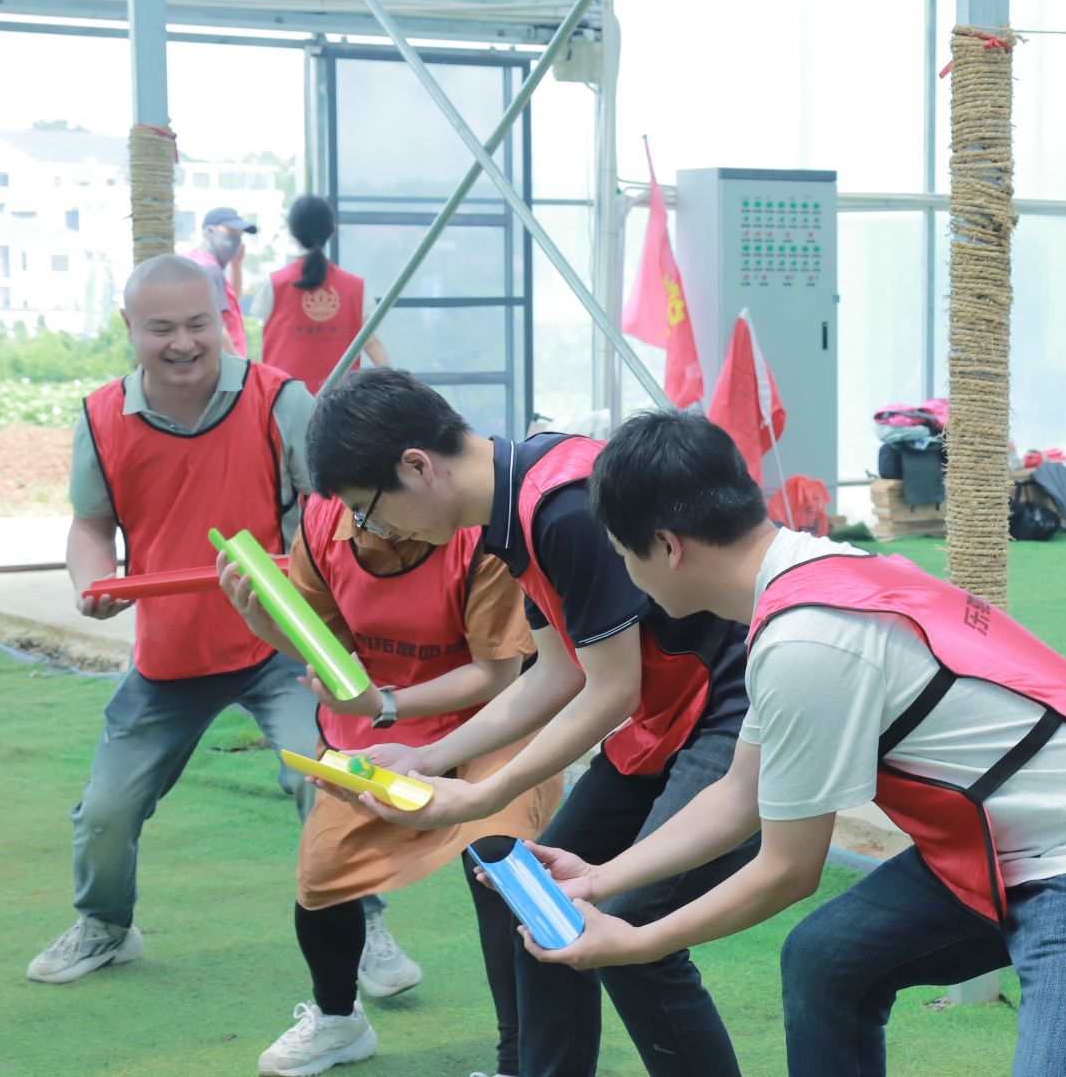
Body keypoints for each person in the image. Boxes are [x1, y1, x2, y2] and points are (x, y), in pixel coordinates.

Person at [512, 410, 1066, 1077]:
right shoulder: (812, 576)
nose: (625, 576)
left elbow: (788, 871)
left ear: (667, 547)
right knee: (826, 959)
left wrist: (638, 942)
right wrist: (600, 877)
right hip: (1011, 844)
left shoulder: (807, 640)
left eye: (623, 555)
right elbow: (738, 795)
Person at [302, 368, 756, 1077]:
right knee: (536, 901)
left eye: (367, 509)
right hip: (664, 719)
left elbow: (610, 692)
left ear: (416, 466)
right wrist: (428, 759)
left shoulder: (561, 507)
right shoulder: (512, 515)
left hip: (732, 708)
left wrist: (481, 796)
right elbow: (557, 672)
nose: (374, 530)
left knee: (632, 928)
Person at [27, 255, 418, 997]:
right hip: (170, 653)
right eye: (161, 328)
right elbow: (90, 525)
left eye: (198, 324)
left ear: (224, 318)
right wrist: (92, 582)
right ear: (129, 327)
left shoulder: (280, 400)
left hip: (285, 641)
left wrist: (327, 582)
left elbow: (333, 507)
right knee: (107, 810)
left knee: (328, 776)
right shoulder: (102, 417)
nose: (183, 343)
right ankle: (106, 925)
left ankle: (362, 923)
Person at [217, 492, 561, 1077]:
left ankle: (520, 1059)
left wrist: (385, 704)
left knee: (501, 867)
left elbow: (496, 673)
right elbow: (327, 646)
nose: (362, 518)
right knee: (324, 872)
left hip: (495, 724)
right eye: (349, 503)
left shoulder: (480, 529)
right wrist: (261, 622)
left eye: (367, 502)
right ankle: (338, 1021)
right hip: (376, 727)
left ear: (414, 470)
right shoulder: (326, 518)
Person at [259, 195, 388, 394]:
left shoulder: (274, 284)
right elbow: (371, 343)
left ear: (292, 231)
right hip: (339, 404)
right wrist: (396, 387)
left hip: (282, 401)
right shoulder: (356, 287)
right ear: (332, 230)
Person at [187, 206, 255, 359]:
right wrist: (239, 363)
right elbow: (215, 323)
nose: (235, 241)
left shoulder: (198, 262)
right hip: (223, 363)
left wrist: (236, 266)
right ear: (209, 231)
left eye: (239, 236)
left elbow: (231, 303)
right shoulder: (210, 270)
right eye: (231, 233)